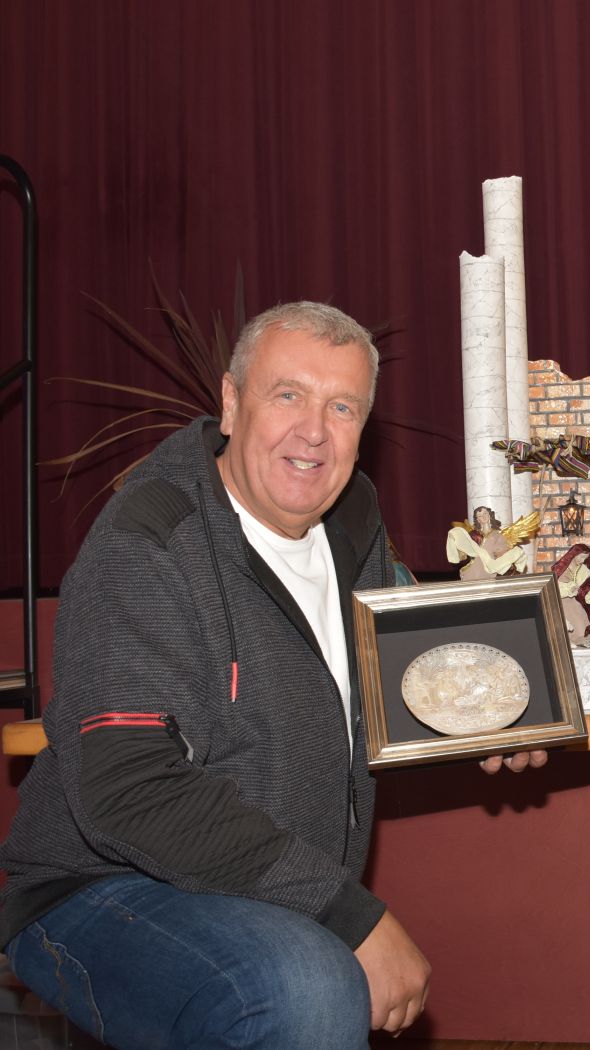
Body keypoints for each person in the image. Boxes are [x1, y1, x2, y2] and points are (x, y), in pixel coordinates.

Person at [0, 302, 546, 1049]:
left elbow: (379, 667)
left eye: (342, 407)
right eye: (288, 394)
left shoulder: (353, 518)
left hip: (256, 889)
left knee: (309, 971)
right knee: (308, 986)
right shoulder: (147, 544)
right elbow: (130, 786)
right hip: (97, 888)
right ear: (231, 403)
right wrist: (346, 915)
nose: (314, 431)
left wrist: (489, 716)